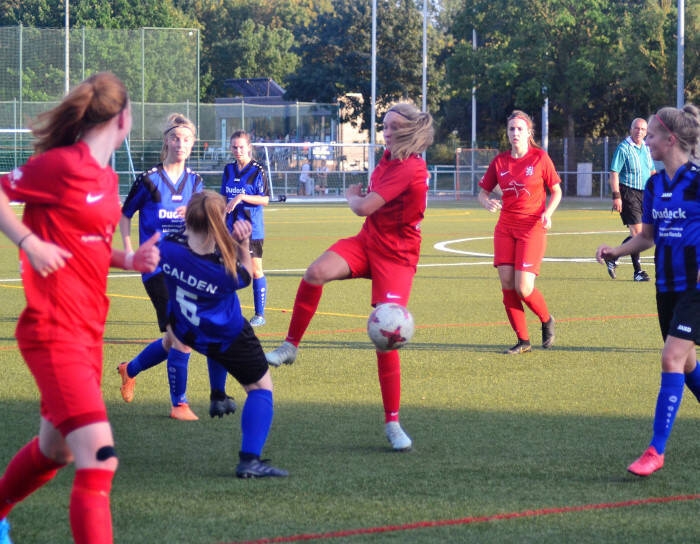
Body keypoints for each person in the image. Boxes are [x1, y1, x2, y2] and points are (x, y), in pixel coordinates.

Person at [0, 72, 160, 544]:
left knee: (56, 452)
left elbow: (88, 244)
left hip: (89, 332)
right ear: (124, 118)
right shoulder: (61, 165)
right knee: (99, 457)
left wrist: (128, 259)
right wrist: (29, 242)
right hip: (54, 330)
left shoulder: (107, 177)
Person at [265, 102, 434, 451]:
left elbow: (363, 207)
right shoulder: (388, 159)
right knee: (316, 272)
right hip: (368, 242)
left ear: (409, 130)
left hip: (398, 257)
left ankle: (392, 423)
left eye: (394, 126)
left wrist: (351, 195)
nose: (386, 132)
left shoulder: (411, 168)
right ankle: (290, 347)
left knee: (386, 335)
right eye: (384, 125)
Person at [596, 104, 700, 477]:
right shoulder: (655, 185)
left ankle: (656, 450)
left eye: (652, 135)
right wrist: (617, 250)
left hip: (695, 288)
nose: (647, 141)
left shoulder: (698, 181)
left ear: (670, 139)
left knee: (671, 357)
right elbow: (648, 237)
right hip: (666, 287)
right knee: (686, 364)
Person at [159, 190, 287, 478]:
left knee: (205, 347)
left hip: (189, 329)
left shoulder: (166, 247)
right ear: (219, 222)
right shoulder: (220, 269)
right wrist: (243, 243)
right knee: (261, 389)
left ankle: (218, 394)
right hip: (228, 335)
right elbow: (246, 275)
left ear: (187, 216)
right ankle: (250, 460)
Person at [118, 113, 235, 421]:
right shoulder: (149, 179)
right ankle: (179, 404)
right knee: (182, 335)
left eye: (186, 140)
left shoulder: (196, 182)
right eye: (175, 138)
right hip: (155, 268)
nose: (180, 144)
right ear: (166, 142)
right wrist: (129, 251)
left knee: (173, 338)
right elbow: (125, 214)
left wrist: (195, 218)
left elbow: (203, 223)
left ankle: (129, 369)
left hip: (186, 267)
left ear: (192, 144)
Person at [477, 110, 562, 355]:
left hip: (531, 228)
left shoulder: (540, 158)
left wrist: (548, 213)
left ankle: (546, 319)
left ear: (528, 133)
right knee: (507, 284)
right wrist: (487, 202)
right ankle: (523, 340)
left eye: (520, 129)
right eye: (511, 129)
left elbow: (556, 191)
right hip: (505, 228)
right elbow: (482, 192)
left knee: (523, 287)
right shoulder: (500, 161)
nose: (515, 133)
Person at [221, 130, 271, 327]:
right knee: (227, 270)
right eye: (234, 147)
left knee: (255, 270)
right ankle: (228, 312)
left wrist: (241, 197)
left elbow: (265, 199)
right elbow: (223, 199)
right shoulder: (228, 170)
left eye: (241, 147)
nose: (238, 150)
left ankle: (259, 315)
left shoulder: (258, 170)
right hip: (229, 229)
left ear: (249, 147)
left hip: (251, 229)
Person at [604, 117, 656, 281]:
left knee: (647, 234)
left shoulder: (647, 148)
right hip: (628, 192)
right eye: (636, 128)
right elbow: (614, 172)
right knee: (637, 234)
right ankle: (638, 272)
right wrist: (616, 196)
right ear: (631, 129)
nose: (639, 131)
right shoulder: (623, 148)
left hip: (645, 194)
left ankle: (613, 256)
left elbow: (652, 171)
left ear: (646, 132)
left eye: (643, 129)